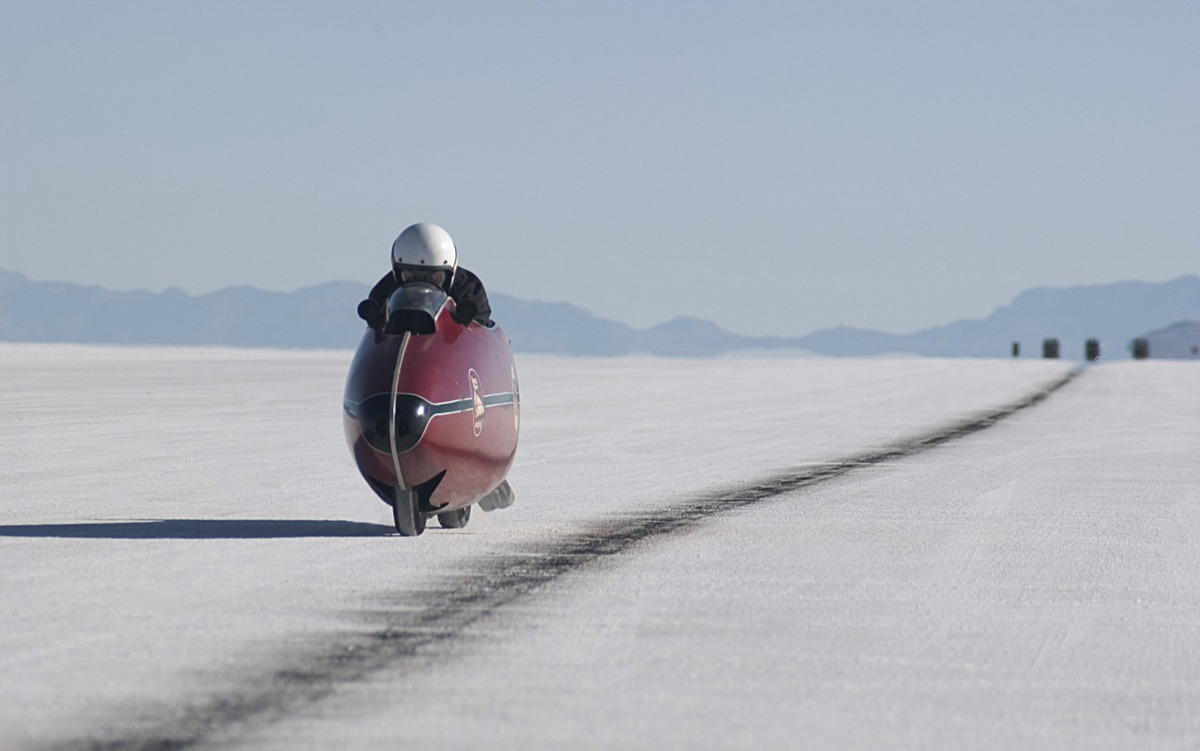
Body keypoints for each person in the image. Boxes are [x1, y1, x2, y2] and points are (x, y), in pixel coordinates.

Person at [357, 223, 492, 328]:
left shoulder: (469, 290)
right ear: (398, 275)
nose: (421, 285)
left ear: (449, 275)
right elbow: (376, 332)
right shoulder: (383, 294)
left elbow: (479, 327)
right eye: (410, 277)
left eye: (433, 278)